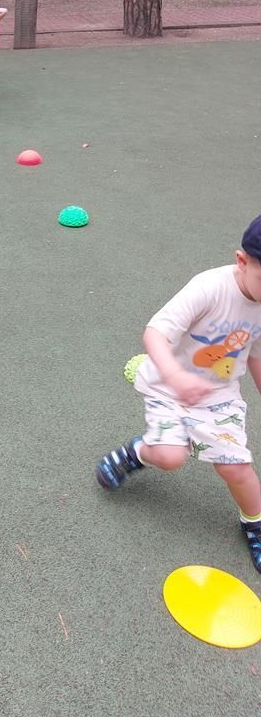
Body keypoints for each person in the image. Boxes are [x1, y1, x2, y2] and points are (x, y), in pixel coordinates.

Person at [95, 214, 261, 575]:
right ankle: (136, 452)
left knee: (236, 467)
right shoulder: (209, 287)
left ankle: (255, 523)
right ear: (242, 261)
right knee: (171, 457)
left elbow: (256, 354)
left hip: (219, 395)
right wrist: (175, 376)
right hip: (169, 387)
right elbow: (154, 332)